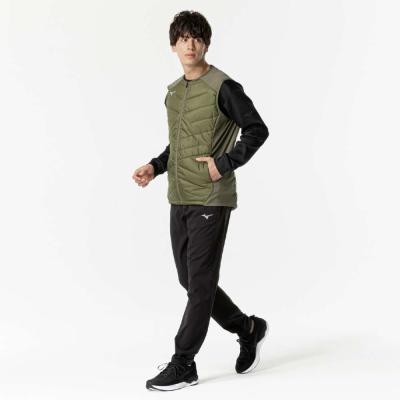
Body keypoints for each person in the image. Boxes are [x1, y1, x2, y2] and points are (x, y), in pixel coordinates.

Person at [132, 10, 270, 391]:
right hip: (179, 196)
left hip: (211, 197)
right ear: (173, 46)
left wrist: (223, 164)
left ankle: (183, 363)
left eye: (196, 38)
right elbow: (179, 145)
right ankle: (248, 328)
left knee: (201, 283)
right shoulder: (174, 92)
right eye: (183, 39)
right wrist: (155, 166)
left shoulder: (223, 86)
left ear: (206, 43)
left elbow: (257, 129)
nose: (190, 45)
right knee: (190, 280)